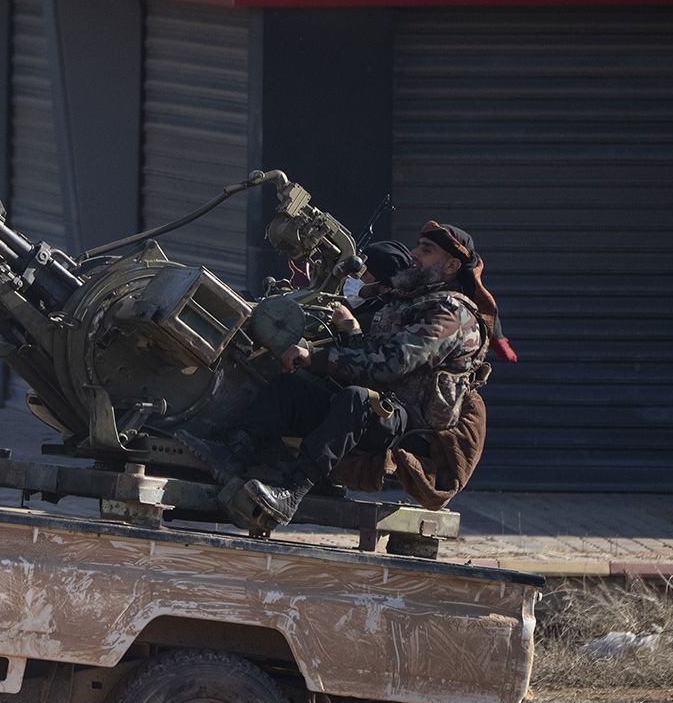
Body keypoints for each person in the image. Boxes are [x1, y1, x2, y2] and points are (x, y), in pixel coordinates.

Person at [183, 221, 500, 529]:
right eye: (419, 245)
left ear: (451, 266)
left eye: (427, 250)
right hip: (382, 408)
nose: (414, 254)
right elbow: (369, 352)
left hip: (411, 425)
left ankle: (292, 492)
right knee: (290, 390)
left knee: (356, 400)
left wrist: (317, 358)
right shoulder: (409, 301)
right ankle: (233, 452)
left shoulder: (454, 314)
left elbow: (392, 362)